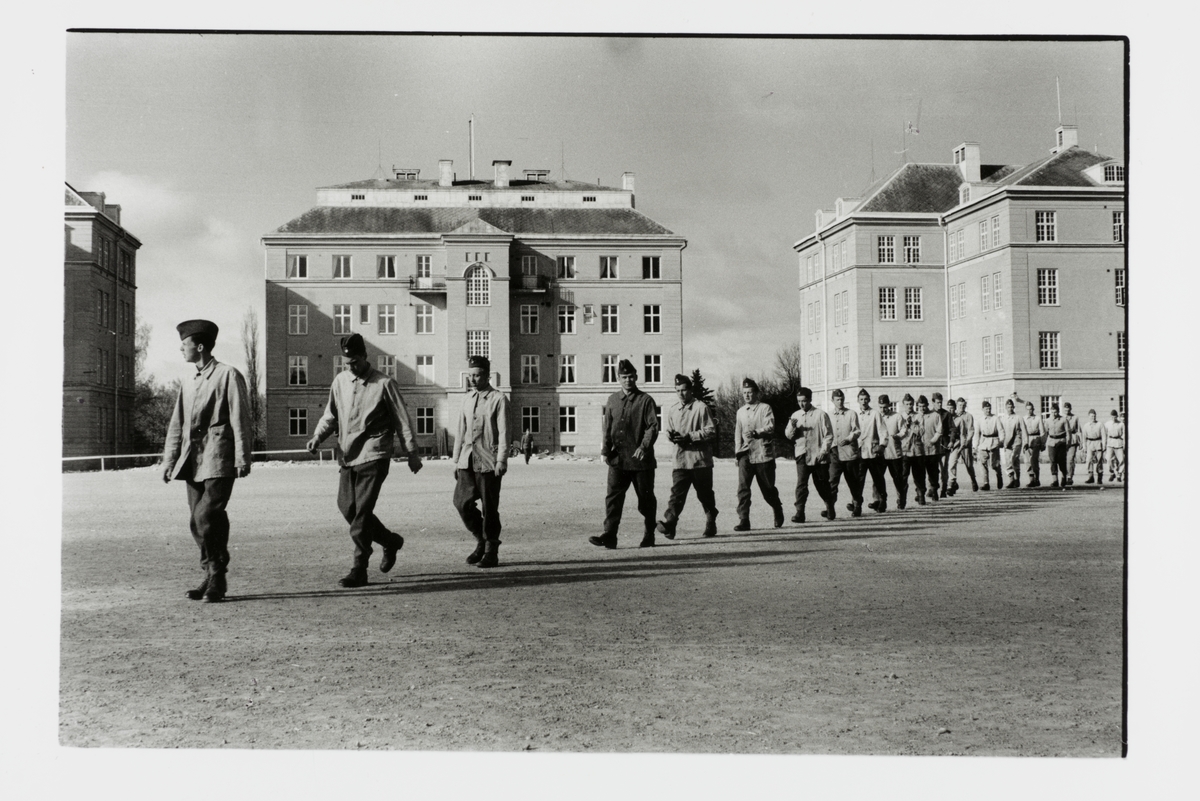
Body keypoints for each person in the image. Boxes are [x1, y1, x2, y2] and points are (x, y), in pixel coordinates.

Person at [306, 334, 423, 587]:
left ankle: (359, 567)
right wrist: (317, 436)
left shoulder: (384, 383)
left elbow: (402, 420)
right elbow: (331, 415)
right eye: (347, 362)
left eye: (355, 362)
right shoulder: (340, 381)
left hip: (374, 454)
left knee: (361, 514)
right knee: (347, 507)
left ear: (365, 357)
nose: (351, 367)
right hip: (348, 454)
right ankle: (390, 541)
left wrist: (412, 453)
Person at [162, 319, 253, 603]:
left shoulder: (228, 375)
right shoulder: (189, 382)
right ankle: (213, 573)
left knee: (206, 515)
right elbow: (177, 424)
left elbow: (241, 418)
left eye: (184, 344)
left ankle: (217, 575)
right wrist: (169, 460)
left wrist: (242, 456)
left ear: (199, 347)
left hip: (219, 458)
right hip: (192, 461)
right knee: (197, 520)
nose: (181, 349)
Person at [591, 359, 659, 548]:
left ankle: (649, 534)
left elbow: (653, 426)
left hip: (640, 462)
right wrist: (605, 450)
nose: (628, 380)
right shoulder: (613, 400)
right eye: (624, 377)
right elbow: (608, 427)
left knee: (645, 500)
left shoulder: (645, 400)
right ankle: (609, 536)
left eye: (631, 377)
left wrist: (644, 446)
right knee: (613, 499)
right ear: (618, 379)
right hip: (618, 459)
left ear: (636, 377)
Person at [452, 355, 509, 568]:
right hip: (467, 460)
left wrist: (501, 459)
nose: (473, 380)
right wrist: (456, 460)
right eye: (471, 376)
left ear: (487, 375)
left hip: (489, 461)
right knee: (461, 503)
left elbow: (504, 431)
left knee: (490, 508)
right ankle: (481, 539)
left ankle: (491, 550)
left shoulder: (498, 399)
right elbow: (460, 431)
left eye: (477, 375)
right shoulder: (466, 399)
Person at [656, 374, 719, 539]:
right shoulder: (673, 409)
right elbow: (669, 430)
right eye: (678, 390)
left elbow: (711, 430)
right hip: (681, 460)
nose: (681, 394)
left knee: (704, 494)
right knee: (676, 495)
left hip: (700, 461)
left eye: (684, 390)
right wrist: (672, 436)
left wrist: (690, 436)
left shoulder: (701, 408)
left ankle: (711, 519)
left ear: (690, 390)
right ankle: (670, 524)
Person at [733, 378, 785, 530]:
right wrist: (737, 453)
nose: (747, 396)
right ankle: (744, 520)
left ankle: (777, 508)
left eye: (750, 393)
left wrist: (756, 432)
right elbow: (737, 433)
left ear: (756, 393)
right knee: (743, 489)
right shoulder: (740, 412)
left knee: (768, 489)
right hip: (745, 454)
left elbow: (770, 426)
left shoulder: (765, 408)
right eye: (744, 393)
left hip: (762, 454)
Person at [784, 386, 835, 522]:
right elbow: (788, 436)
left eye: (804, 401)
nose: (801, 404)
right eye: (799, 401)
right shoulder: (795, 415)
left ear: (810, 400)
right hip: (802, 454)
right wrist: (793, 427)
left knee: (822, 485)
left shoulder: (820, 415)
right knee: (801, 485)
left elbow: (828, 435)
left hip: (819, 457)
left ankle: (829, 506)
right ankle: (800, 512)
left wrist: (824, 451)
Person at [825, 389, 864, 517]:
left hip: (850, 453)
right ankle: (830, 508)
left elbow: (857, 431)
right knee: (832, 482)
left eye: (841, 399)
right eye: (837, 399)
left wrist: (849, 438)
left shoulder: (851, 414)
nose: (840, 402)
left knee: (853, 482)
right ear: (832, 401)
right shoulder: (828, 415)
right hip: (834, 453)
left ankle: (857, 505)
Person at [855, 389, 889, 513]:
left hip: (874, 452)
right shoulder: (855, 414)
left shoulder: (875, 414)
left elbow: (883, 431)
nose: (863, 402)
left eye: (865, 399)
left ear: (869, 400)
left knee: (878, 479)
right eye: (861, 399)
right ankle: (857, 505)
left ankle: (882, 501)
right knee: (858, 480)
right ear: (857, 400)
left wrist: (882, 445)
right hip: (860, 453)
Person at [878, 394, 909, 510]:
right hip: (881, 454)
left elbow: (904, 430)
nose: (883, 410)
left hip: (894, 453)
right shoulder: (877, 417)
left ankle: (901, 498)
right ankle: (882, 502)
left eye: (885, 407)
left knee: (898, 479)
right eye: (881, 407)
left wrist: (898, 436)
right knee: (879, 479)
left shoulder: (897, 416)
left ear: (889, 406)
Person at [901, 394, 928, 505]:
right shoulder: (900, 416)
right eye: (907, 404)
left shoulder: (918, 416)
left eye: (911, 404)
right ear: (903, 405)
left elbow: (921, 431)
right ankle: (902, 499)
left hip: (917, 451)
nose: (909, 406)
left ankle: (921, 496)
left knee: (919, 476)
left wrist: (911, 425)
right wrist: (905, 426)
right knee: (903, 476)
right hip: (905, 451)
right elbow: (899, 432)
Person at [947, 398, 979, 494]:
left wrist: (966, 442)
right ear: (957, 405)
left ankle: (973, 480)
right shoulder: (952, 416)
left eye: (963, 405)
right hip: (955, 443)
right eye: (960, 405)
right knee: (952, 463)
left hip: (965, 444)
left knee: (969, 465)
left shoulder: (968, 416)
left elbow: (971, 430)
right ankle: (953, 483)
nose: (962, 407)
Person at [917, 395, 944, 501]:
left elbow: (939, 430)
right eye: (920, 406)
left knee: (933, 472)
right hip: (919, 450)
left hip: (932, 450)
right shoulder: (916, 417)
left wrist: (933, 441)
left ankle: (934, 490)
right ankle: (921, 494)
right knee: (920, 473)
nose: (922, 408)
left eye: (924, 406)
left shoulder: (935, 415)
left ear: (927, 405)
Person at [931, 393, 958, 496]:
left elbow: (953, 429)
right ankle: (933, 489)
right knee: (933, 469)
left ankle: (943, 489)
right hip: (933, 446)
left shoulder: (947, 414)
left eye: (941, 402)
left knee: (944, 469)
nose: (940, 404)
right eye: (937, 402)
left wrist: (951, 441)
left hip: (943, 445)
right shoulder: (930, 414)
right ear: (933, 402)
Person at [974, 400, 1002, 491]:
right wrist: (975, 446)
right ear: (983, 409)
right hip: (983, 443)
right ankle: (986, 483)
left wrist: (1001, 441)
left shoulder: (995, 418)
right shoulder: (979, 420)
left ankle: (999, 475)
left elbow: (1001, 430)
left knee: (994, 464)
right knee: (983, 464)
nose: (988, 410)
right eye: (986, 409)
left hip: (994, 442)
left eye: (989, 409)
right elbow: (977, 434)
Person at [998, 398, 1025, 489]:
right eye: (1008, 407)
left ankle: (1017, 478)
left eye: (1011, 407)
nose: (1010, 409)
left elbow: (1024, 431)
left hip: (1016, 441)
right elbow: (1001, 431)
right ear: (1006, 408)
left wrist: (1026, 442)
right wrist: (1001, 441)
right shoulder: (1003, 419)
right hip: (1007, 443)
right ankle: (1012, 480)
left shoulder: (1018, 417)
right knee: (1008, 461)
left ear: (1014, 407)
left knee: (1013, 458)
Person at [1044, 403, 1070, 489]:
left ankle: (1063, 477)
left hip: (1061, 442)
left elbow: (1068, 433)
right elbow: (1045, 433)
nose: (1054, 414)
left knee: (1062, 461)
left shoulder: (1063, 420)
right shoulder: (1047, 421)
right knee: (1053, 461)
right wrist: (1043, 443)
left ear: (1058, 412)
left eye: (1055, 412)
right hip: (1051, 442)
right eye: (1052, 412)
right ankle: (1055, 480)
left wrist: (1068, 443)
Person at [1022, 401, 1047, 488]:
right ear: (1026, 410)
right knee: (1027, 461)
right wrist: (1025, 442)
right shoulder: (1024, 418)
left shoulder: (1038, 418)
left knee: (1034, 460)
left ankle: (1037, 478)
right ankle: (1031, 479)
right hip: (1027, 439)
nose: (1029, 411)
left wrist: (1043, 443)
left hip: (1036, 439)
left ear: (1033, 409)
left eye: (1031, 409)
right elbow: (1023, 431)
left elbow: (1042, 432)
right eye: (1028, 409)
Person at [1081, 409, 1108, 484]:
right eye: (1091, 416)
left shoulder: (1100, 424)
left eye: (1094, 416)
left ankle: (1099, 477)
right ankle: (1090, 477)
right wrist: (1084, 446)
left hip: (1098, 443)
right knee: (1089, 460)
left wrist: (1104, 445)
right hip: (1089, 443)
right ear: (1088, 416)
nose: (1093, 417)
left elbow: (1104, 435)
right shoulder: (1086, 425)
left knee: (1099, 460)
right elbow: (1083, 437)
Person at [1062, 402, 1082, 486]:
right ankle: (1063, 476)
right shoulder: (1061, 417)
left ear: (1070, 409)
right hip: (1062, 439)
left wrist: (1081, 442)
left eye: (1068, 409)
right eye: (1065, 410)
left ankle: (1069, 477)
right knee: (1062, 460)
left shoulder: (1075, 418)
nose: (1067, 411)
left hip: (1073, 440)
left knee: (1070, 459)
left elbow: (1079, 431)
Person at [1103, 410, 1126, 482]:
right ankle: (1112, 473)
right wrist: (1104, 444)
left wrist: (1124, 444)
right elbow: (1105, 435)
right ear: (1110, 417)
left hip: (1119, 443)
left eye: (1115, 417)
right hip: (1110, 443)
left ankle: (1119, 473)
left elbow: (1124, 435)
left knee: (1121, 460)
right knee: (1108, 459)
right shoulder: (1107, 424)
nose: (1114, 418)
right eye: (1112, 417)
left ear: (1117, 417)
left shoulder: (1121, 424)